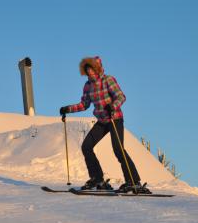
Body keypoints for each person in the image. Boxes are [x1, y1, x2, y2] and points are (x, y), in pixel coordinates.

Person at [60, 56, 149, 193]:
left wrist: (112, 106)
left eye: (92, 69)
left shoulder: (108, 80)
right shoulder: (88, 86)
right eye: (87, 69)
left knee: (118, 149)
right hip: (102, 121)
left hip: (115, 118)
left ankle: (133, 181)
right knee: (86, 146)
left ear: (98, 68)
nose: (90, 72)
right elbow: (84, 104)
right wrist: (68, 109)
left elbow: (121, 96)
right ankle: (97, 178)